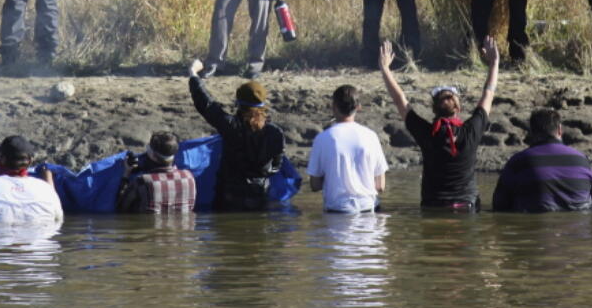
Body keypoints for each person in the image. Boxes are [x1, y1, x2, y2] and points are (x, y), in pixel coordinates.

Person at [380, 37, 499, 210]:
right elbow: (488, 93)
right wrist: (494, 63)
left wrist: (385, 69)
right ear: (458, 108)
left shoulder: (427, 133)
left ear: (433, 109)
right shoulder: (471, 130)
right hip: (467, 206)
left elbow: (400, 101)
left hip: (433, 206)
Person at [187, 60, 286, 210]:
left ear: (239, 104)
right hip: (259, 196)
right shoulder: (275, 133)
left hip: (229, 197)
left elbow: (206, 104)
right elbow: (276, 167)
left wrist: (193, 73)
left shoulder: (230, 126)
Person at [491, 109, 592, 212]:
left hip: (534, 225)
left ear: (532, 132)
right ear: (560, 129)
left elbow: (499, 204)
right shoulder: (583, 160)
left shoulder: (518, 162)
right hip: (578, 225)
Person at [305, 85, 388, 214]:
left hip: (337, 212)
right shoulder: (371, 136)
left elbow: (315, 185)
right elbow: (380, 186)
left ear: (333, 107)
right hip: (369, 212)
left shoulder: (322, 139)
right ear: (358, 107)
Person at [115, 132, 197, 214]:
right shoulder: (189, 176)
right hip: (183, 226)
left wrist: (126, 173)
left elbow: (121, 207)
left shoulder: (143, 181)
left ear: (153, 155)